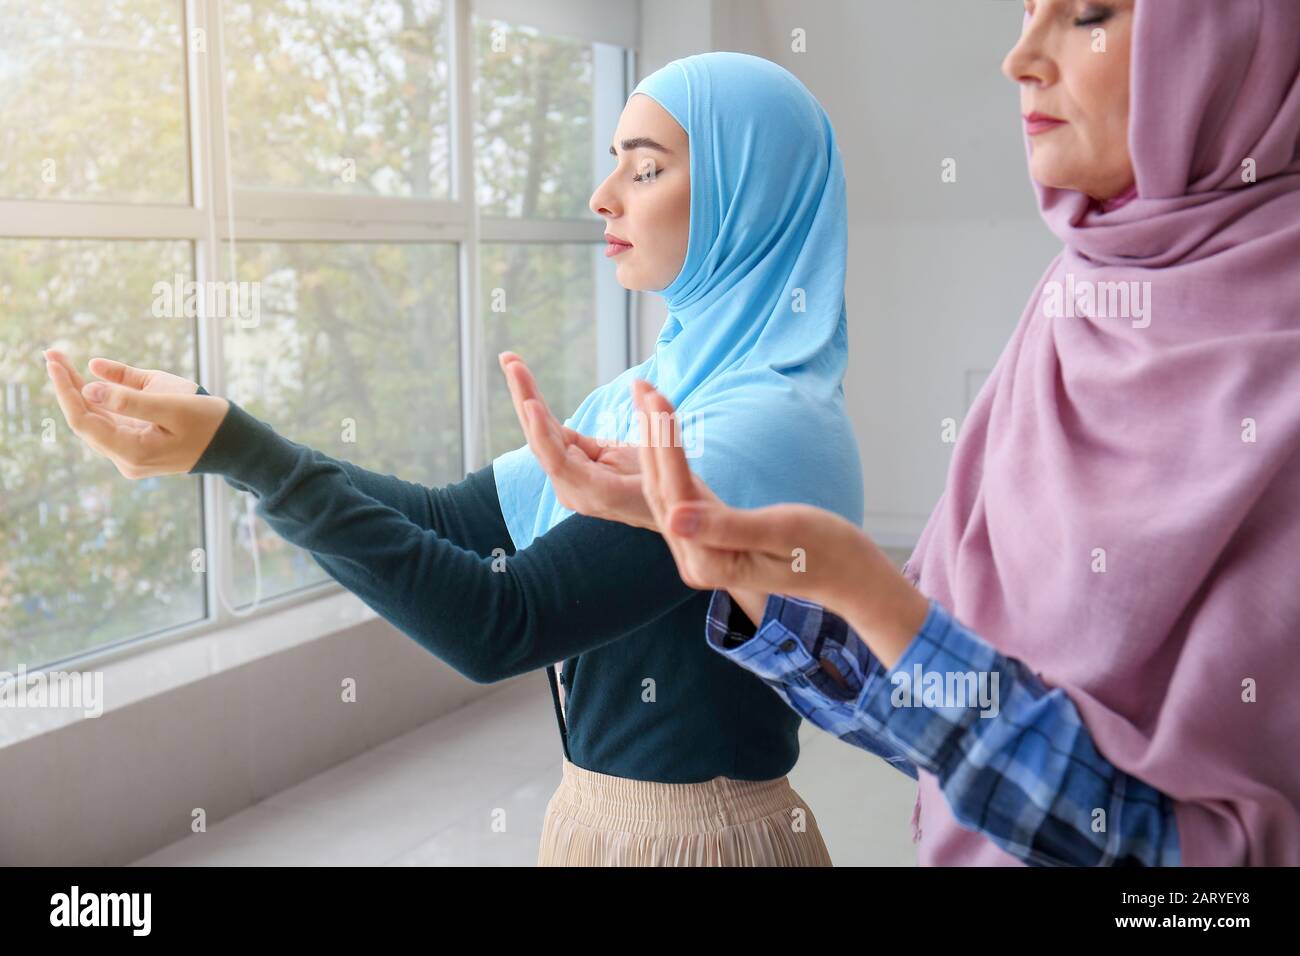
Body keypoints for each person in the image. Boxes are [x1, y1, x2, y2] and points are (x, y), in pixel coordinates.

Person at [507, 0, 1300, 865]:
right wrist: (772, 571)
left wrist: (871, 595)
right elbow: (934, 735)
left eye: (1089, 15)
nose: (1020, 60)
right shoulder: (1072, 312)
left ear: (1235, 40)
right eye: (1026, 12)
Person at [43, 52, 866, 866]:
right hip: (596, 823)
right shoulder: (651, 391)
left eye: (646, 169)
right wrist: (226, 443)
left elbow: (501, 623)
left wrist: (245, 452)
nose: (602, 195)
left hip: (698, 847)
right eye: (614, 161)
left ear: (748, 196)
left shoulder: (761, 427)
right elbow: (455, 523)